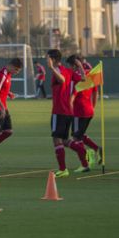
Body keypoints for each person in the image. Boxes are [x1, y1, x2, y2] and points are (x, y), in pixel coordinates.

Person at [46, 49, 77, 178]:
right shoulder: (68, 71)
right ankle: (83, 151)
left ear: (52, 59)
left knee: (56, 139)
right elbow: (81, 80)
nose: (46, 59)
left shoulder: (59, 71)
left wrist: (51, 68)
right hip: (68, 110)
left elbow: (62, 80)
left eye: (47, 57)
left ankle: (63, 169)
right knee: (64, 140)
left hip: (59, 111)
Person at [67, 55, 98, 173]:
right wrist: (93, 107)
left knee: (75, 137)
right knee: (80, 134)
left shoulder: (75, 77)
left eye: (70, 65)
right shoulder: (90, 74)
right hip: (89, 110)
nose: (69, 67)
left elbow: (72, 96)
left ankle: (85, 163)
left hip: (78, 111)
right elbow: (95, 92)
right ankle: (96, 149)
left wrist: (69, 111)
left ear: (74, 65)